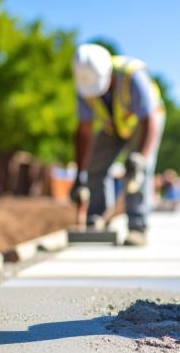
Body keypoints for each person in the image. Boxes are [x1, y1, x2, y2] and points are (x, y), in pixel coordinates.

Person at [70, 44, 166, 246]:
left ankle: (137, 228)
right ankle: (96, 218)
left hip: (143, 124)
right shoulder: (84, 84)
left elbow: (149, 121)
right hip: (111, 125)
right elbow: (84, 131)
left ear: (109, 73)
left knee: (138, 171)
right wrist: (80, 175)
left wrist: (140, 157)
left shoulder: (133, 75)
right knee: (95, 165)